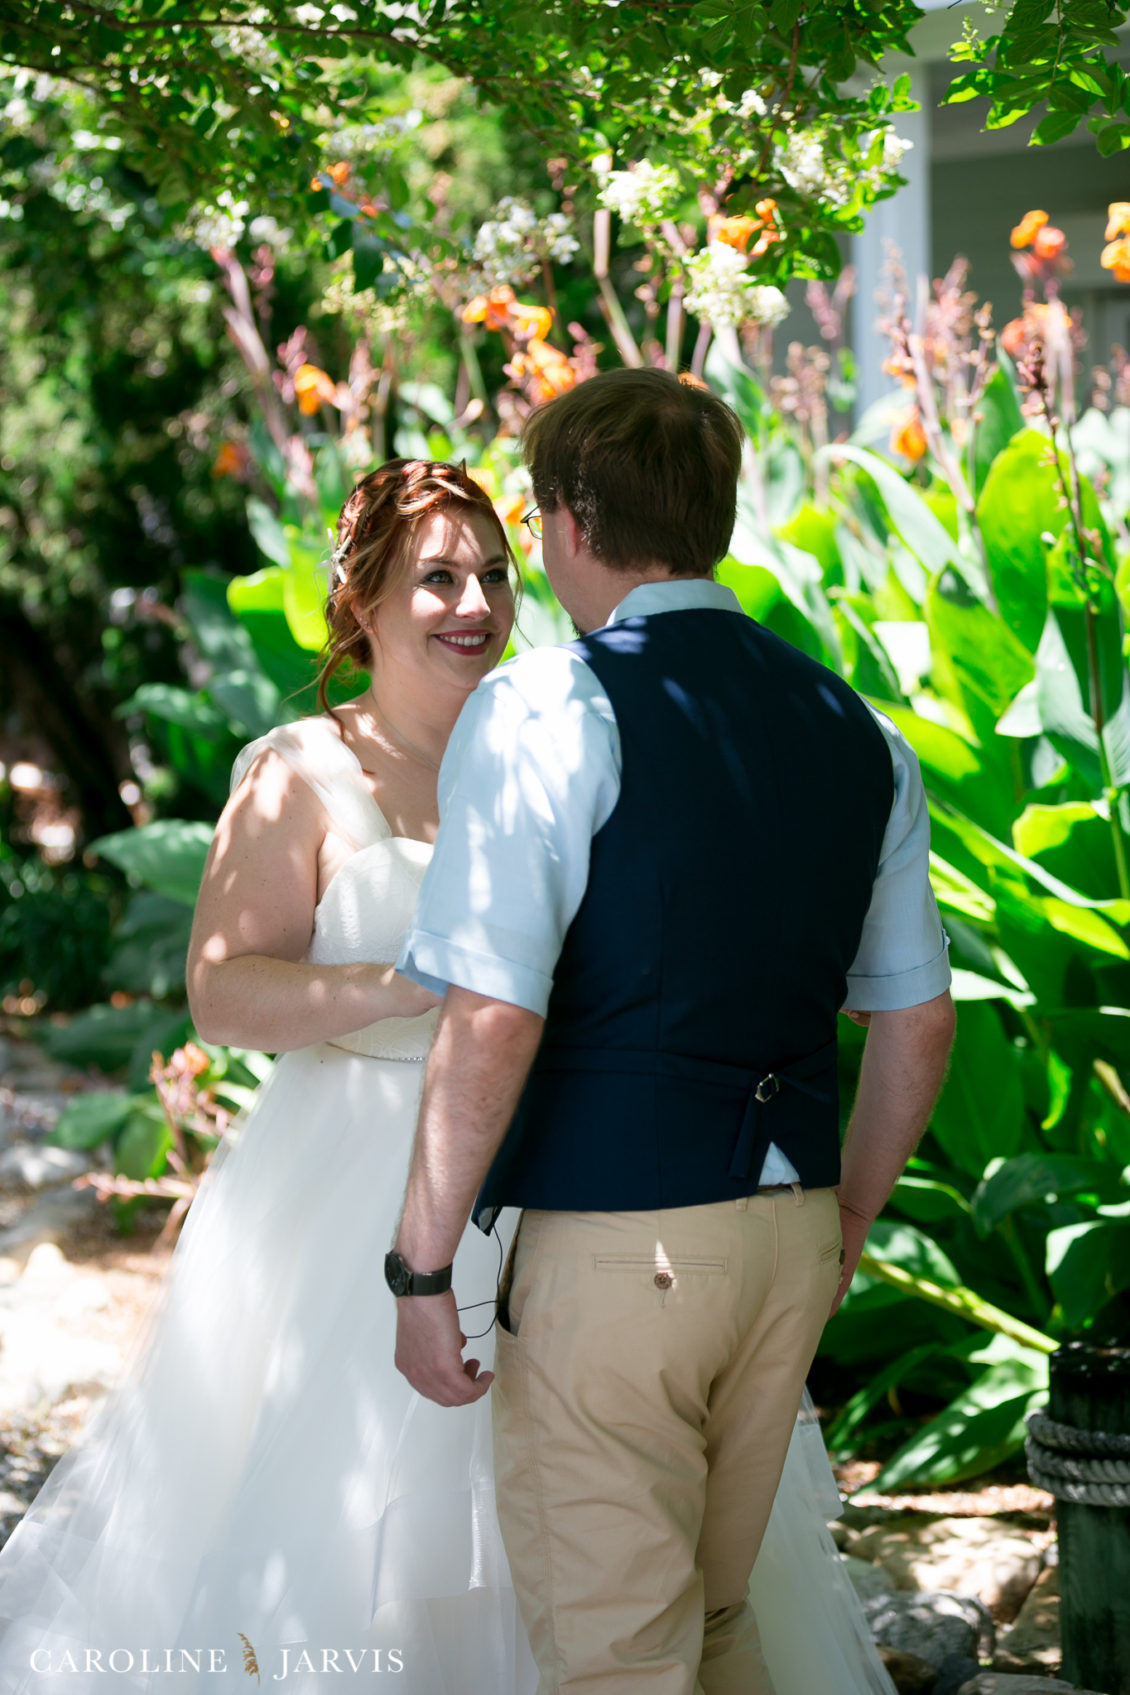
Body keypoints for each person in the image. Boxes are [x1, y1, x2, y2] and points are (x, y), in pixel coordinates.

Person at [0, 447, 920, 1695]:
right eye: (435, 580)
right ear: (360, 601)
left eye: (492, 572)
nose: (474, 603)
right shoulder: (298, 770)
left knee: (599, 1544)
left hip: (579, 1180)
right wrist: (419, 985)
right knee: (376, 1536)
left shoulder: (562, 731)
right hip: (359, 1187)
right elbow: (223, 991)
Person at [392, 371, 957, 1694]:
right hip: (786, 1228)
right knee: (708, 1624)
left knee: (615, 1656)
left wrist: (422, 1269)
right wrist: (845, 1222)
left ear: (571, 519)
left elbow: (490, 1015)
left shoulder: (542, 709)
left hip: (616, 1241)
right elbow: (913, 1021)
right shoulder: (857, 727)